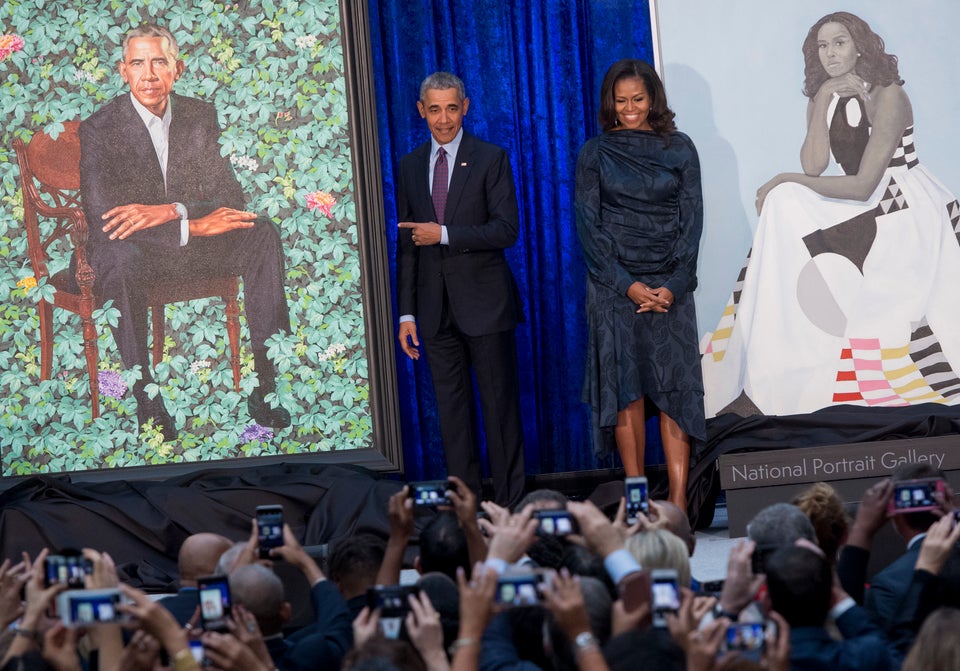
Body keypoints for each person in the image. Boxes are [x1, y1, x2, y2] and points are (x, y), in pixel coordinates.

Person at [702, 11, 960, 417]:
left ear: (860, 46)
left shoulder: (888, 94)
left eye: (839, 42)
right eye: (822, 46)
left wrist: (782, 180)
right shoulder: (826, 95)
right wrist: (822, 99)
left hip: (903, 206)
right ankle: (763, 369)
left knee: (786, 194)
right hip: (863, 201)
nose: (830, 53)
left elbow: (863, 185)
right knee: (784, 202)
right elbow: (814, 166)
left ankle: (785, 371)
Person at [78, 23, 291, 440]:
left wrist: (170, 211)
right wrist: (191, 223)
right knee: (118, 259)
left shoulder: (199, 115)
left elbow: (229, 194)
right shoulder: (99, 129)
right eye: (138, 63)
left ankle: (265, 386)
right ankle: (148, 400)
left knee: (261, 231)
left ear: (179, 69)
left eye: (160, 62)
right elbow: (106, 219)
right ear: (123, 71)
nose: (149, 74)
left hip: (187, 247)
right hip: (133, 252)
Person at [574, 59, 705, 511]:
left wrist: (673, 284)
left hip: (671, 288)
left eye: (639, 100)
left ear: (654, 100)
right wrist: (628, 286)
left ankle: (680, 504)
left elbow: (693, 223)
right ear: (610, 102)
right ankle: (636, 500)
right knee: (626, 390)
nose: (630, 109)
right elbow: (589, 231)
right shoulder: (595, 153)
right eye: (621, 100)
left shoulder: (681, 148)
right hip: (615, 290)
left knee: (674, 393)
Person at [395, 71, 525, 507]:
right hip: (434, 313)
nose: (444, 119)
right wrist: (407, 314)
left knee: (499, 414)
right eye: (435, 109)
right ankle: (467, 512)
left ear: (465, 107)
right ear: (421, 111)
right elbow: (408, 244)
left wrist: (445, 234)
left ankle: (509, 511)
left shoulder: (491, 158)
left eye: (452, 108)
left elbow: (506, 230)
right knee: (453, 421)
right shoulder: (410, 166)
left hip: (486, 307)